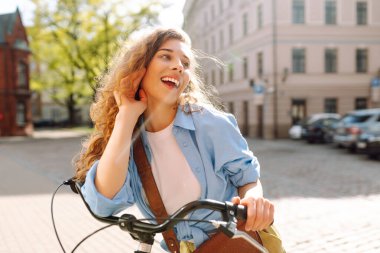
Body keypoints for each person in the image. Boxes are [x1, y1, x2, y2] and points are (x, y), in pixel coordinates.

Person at [74, 27, 275, 252]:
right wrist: (126, 116)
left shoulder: (211, 123)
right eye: (165, 56)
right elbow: (102, 204)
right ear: (139, 67)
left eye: (186, 63)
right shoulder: (129, 140)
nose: (179, 66)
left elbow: (247, 179)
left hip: (235, 243)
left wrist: (254, 200)